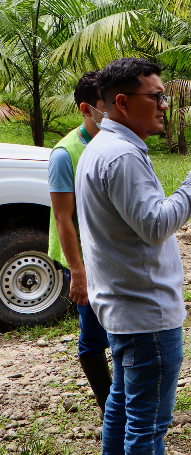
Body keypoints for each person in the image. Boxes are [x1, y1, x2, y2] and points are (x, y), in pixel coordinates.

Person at [76, 58, 191, 455]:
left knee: (121, 408)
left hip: (122, 304)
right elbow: (155, 224)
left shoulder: (102, 148)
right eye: (155, 96)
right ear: (122, 102)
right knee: (146, 423)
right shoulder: (120, 156)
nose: (164, 104)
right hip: (145, 311)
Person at [47, 73, 114, 417]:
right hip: (85, 259)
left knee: (116, 329)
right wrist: (78, 273)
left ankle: (122, 403)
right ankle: (109, 407)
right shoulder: (65, 153)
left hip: (109, 255)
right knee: (92, 335)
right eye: (105, 105)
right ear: (86, 109)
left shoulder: (117, 141)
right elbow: (63, 219)